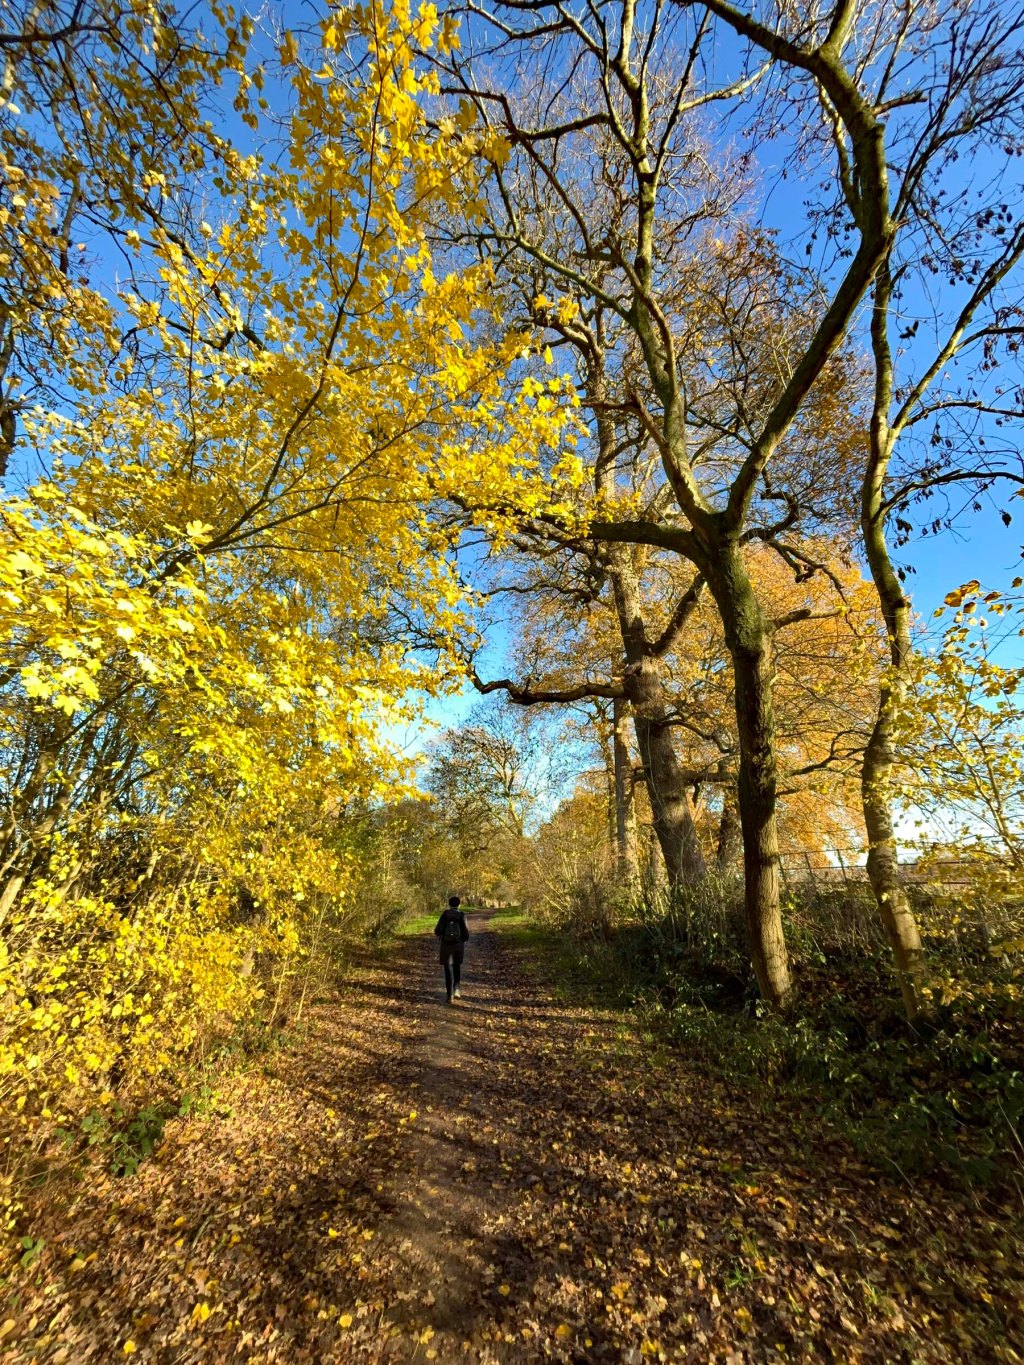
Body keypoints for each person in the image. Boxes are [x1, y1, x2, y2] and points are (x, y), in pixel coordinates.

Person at [434, 895, 469, 1004]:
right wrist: (461, 940)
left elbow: (437, 930)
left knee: (448, 969)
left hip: (446, 946)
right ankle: (457, 989)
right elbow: (466, 934)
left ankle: (450, 995)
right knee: (457, 967)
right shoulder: (461, 915)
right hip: (458, 945)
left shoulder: (445, 915)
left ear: (449, 904)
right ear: (459, 904)